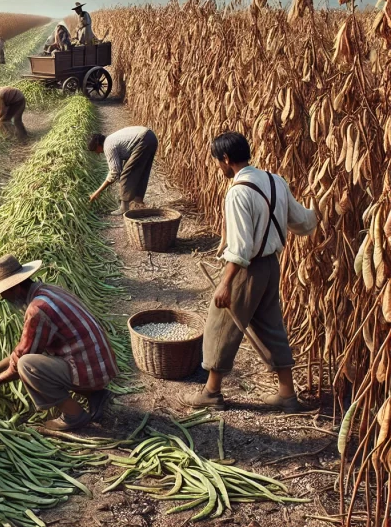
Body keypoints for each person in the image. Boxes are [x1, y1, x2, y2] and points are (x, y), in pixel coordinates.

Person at [182, 132, 317, 413]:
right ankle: (287, 395)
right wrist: (324, 207)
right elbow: (303, 222)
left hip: (247, 270)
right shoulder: (275, 181)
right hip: (271, 267)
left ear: (226, 159)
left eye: (218, 161)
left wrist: (225, 284)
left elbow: (241, 249)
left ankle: (211, 392)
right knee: (271, 327)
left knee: (221, 325)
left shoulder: (238, 192)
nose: (219, 167)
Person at [0, 255, 118, 431]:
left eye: (4, 292)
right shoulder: (48, 291)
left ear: (16, 288)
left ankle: (73, 415)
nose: (3, 298)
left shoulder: (37, 310)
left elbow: (22, 359)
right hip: (100, 365)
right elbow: (21, 350)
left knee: (27, 366)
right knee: (33, 358)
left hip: (90, 370)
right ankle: (96, 395)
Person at [88, 126, 159, 215]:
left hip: (143, 140)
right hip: (151, 137)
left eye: (96, 150)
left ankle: (124, 208)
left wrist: (97, 192)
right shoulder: (111, 139)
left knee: (126, 174)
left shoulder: (108, 146)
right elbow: (119, 167)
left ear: (98, 145)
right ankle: (138, 202)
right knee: (142, 171)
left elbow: (115, 172)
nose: (97, 153)